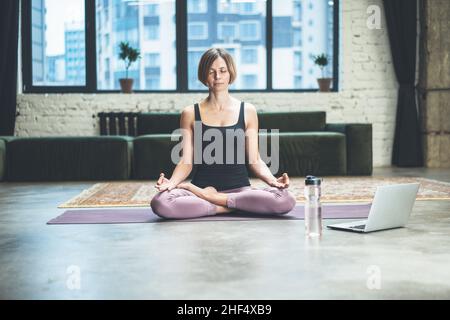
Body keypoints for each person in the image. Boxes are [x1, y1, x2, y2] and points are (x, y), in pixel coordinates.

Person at [150, 48, 296, 219]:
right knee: (160, 203)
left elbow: (254, 159)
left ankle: (216, 202)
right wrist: (172, 183)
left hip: (239, 191)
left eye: (222, 71)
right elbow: (186, 161)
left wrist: (272, 180)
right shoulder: (190, 113)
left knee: (286, 200)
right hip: (201, 189)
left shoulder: (247, 110)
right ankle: (232, 207)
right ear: (204, 75)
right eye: (211, 72)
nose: (217, 77)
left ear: (230, 73)